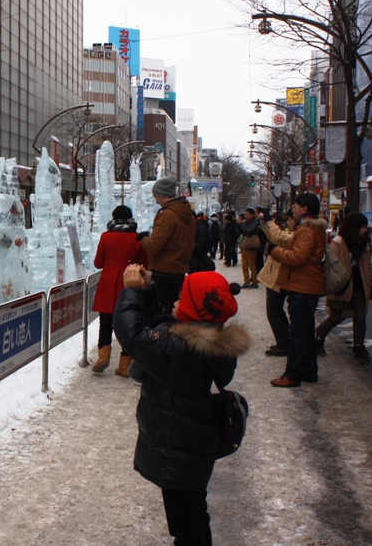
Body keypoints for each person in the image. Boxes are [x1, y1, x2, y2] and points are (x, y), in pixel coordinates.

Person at [113, 265, 251, 546]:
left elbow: (133, 335)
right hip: (193, 446)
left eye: (182, 298)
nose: (175, 300)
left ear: (194, 310)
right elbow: (161, 323)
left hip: (179, 450)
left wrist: (130, 291)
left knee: (186, 528)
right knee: (195, 514)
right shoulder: (207, 341)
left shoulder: (178, 350)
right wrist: (150, 291)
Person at [266, 193, 327, 387]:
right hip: (305, 284)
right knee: (305, 332)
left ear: (305, 209)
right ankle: (308, 371)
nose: (293, 208)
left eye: (296, 205)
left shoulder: (308, 230)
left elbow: (297, 258)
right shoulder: (309, 228)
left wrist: (275, 251)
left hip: (304, 285)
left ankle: (292, 374)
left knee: (297, 333)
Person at [91, 205, 148, 376]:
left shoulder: (106, 236)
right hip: (129, 283)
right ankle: (125, 365)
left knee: (105, 323)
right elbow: (145, 264)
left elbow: (98, 263)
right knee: (128, 324)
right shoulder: (138, 239)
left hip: (108, 283)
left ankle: (103, 357)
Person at [315, 212, 372, 363]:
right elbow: (330, 265)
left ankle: (359, 346)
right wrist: (331, 283)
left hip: (359, 285)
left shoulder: (364, 244)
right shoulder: (338, 243)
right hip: (341, 285)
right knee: (336, 316)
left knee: (360, 317)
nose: (365, 229)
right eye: (362, 226)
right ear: (353, 227)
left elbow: (368, 266)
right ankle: (319, 338)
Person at [137, 176, 196, 314]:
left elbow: (153, 247)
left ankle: (163, 335)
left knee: (161, 312)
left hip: (163, 272)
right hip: (179, 270)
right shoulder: (189, 215)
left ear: (161, 194)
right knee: (173, 309)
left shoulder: (167, 215)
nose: (155, 199)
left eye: (155, 195)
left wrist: (144, 237)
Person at [257, 211, 295, 357]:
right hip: (276, 276)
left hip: (279, 277)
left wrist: (269, 222)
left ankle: (284, 343)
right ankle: (284, 341)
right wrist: (265, 225)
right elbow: (275, 237)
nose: (289, 222)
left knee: (274, 311)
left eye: (291, 219)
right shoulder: (292, 232)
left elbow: (280, 238)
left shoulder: (296, 234)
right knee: (276, 311)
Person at [238, 208, 260, 288]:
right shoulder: (246, 222)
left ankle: (254, 281)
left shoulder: (255, 223)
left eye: (247, 214)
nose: (245, 216)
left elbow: (248, 231)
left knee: (252, 266)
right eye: (245, 214)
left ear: (252, 215)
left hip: (251, 246)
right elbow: (240, 231)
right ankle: (246, 281)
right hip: (245, 245)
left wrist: (242, 224)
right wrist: (239, 224)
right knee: (244, 265)